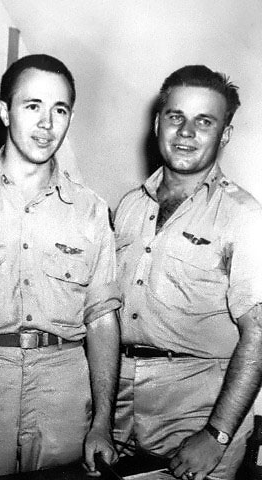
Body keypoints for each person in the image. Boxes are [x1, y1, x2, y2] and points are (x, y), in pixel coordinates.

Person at [0, 54, 121, 477]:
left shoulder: (90, 210)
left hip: (63, 384)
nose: (46, 124)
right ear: (5, 111)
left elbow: (102, 323)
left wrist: (102, 424)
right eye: (33, 106)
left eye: (59, 110)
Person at [113, 65, 262, 480]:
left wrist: (216, 435)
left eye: (204, 121)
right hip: (119, 414)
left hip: (198, 417)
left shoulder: (244, 217)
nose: (186, 132)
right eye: (176, 117)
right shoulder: (128, 206)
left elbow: (260, 332)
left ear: (224, 135)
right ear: (158, 122)